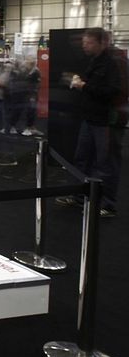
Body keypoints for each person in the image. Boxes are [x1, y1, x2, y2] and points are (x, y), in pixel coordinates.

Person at [57, 28, 122, 217]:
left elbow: (112, 92)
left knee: (105, 164)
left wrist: (83, 85)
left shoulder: (113, 63)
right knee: (82, 159)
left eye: (89, 42)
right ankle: (78, 196)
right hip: (89, 118)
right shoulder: (94, 62)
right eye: (84, 42)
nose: (84, 45)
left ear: (103, 42)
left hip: (104, 121)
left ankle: (108, 204)